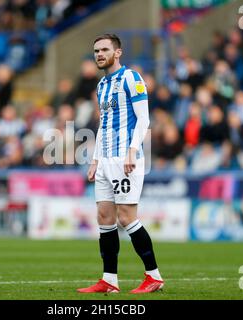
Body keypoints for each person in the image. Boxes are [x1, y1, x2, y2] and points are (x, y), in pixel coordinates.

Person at [77, 34, 163, 294]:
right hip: (105, 159)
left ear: (118, 53)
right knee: (104, 216)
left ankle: (153, 276)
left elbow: (143, 119)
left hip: (126, 158)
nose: (99, 54)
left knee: (127, 217)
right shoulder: (102, 85)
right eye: (96, 50)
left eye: (104, 49)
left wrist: (132, 151)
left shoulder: (132, 79)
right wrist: (94, 160)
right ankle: (109, 280)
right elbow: (103, 125)